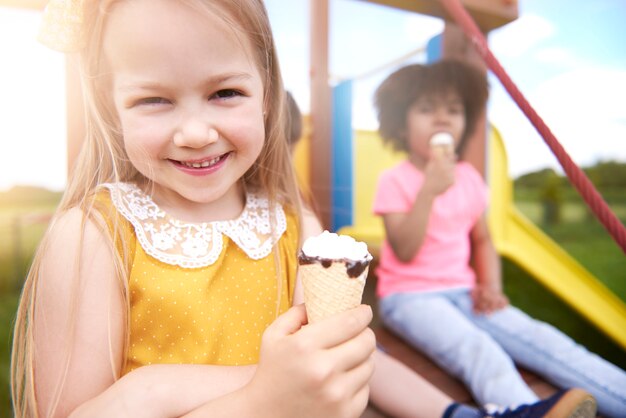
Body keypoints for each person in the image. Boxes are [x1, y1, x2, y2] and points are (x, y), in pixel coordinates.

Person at [8, 1, 599, 417]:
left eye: (225, 93)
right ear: (112, 112)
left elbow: (329, 366)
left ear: (267, 95)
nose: (194, 131)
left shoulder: (294, 224)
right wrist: (256, 397)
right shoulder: (93, 237)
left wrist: (315, 381)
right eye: (153, 100)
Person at [371, 59, 626, 418]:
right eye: (427, 109)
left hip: (465, 291)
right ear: (400, 126)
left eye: (454, 110)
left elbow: (483, 241)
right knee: (478, 349)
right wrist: (428, 192)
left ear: (465, 123)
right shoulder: (394, 180)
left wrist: (490, 284)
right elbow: (403, 249)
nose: (442, 118)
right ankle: (528, 412)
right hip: (410, 298)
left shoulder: (470, 178)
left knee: (545, 340)